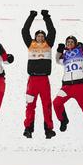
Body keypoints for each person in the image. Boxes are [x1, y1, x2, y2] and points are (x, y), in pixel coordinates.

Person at [53, 36, 83, 138]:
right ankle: (63, 121)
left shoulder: (81, 50)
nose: (69, 43)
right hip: (66, 86)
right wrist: (59, 51)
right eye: (68, 42)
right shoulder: (65, 55)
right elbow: (57, 60)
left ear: (75, 43)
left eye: (71, 42)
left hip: (80, 86)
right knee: (56, 103)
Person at [21, 10, 56, 139]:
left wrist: (47, 17)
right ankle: (28, 128)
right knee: (30, 105)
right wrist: (31, 16)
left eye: (42, 36)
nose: (40, 37)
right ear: (35, 37)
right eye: (38, 36)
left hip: (44, 80)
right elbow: (25, 31)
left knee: (46, 105)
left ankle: (49, 129)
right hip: (33, 80)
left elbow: (52, 31)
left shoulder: (49, 44)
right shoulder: (31, 44)